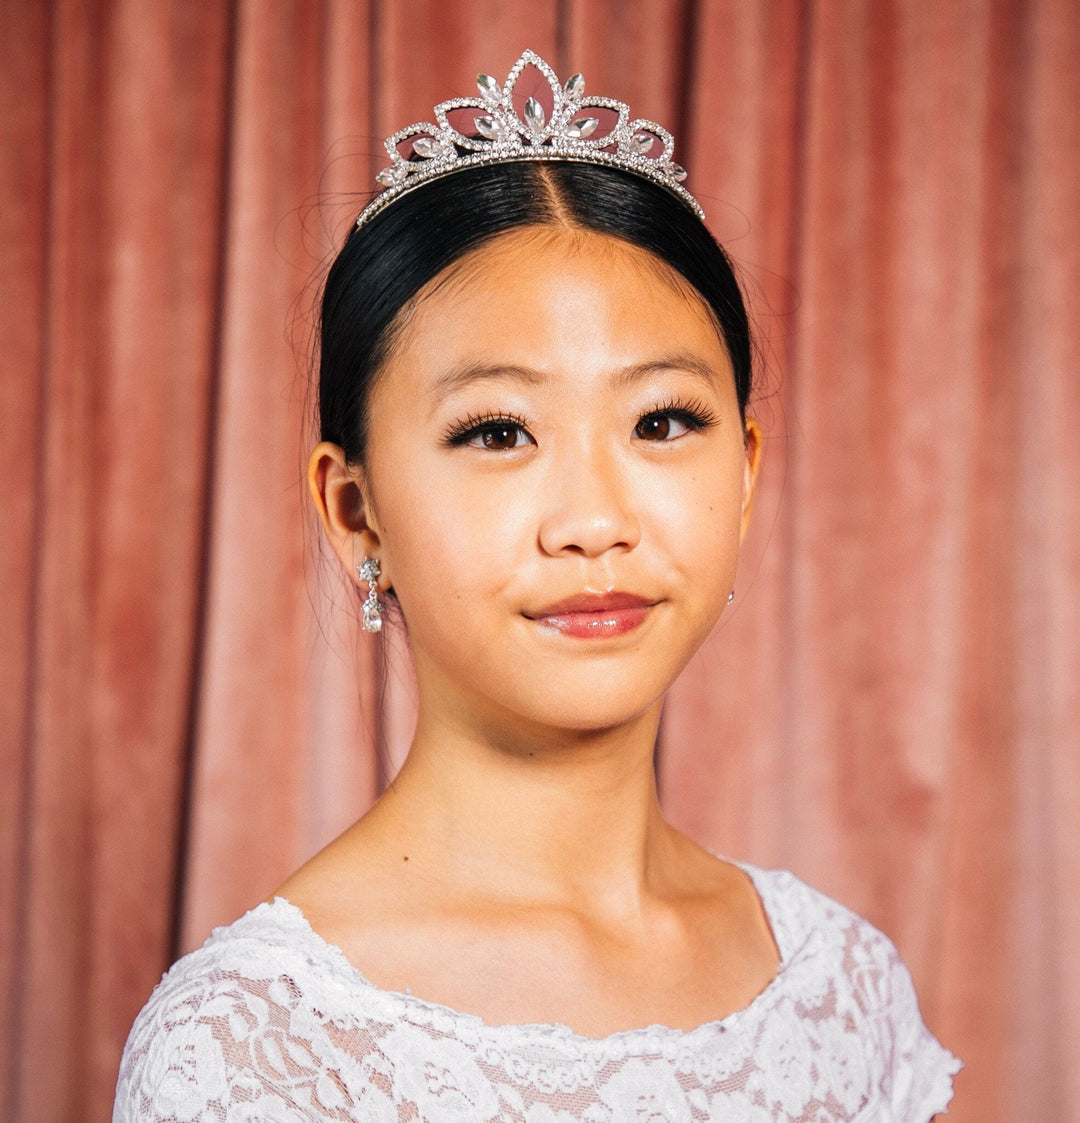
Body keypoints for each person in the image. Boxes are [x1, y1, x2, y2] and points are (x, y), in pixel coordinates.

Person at [114, 50, 960, 1122]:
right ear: (355, 513)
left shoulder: (844, 991)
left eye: (662, 421)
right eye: (498, 431)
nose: (595, 522)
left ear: (744, 473)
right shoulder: (252, 1051)